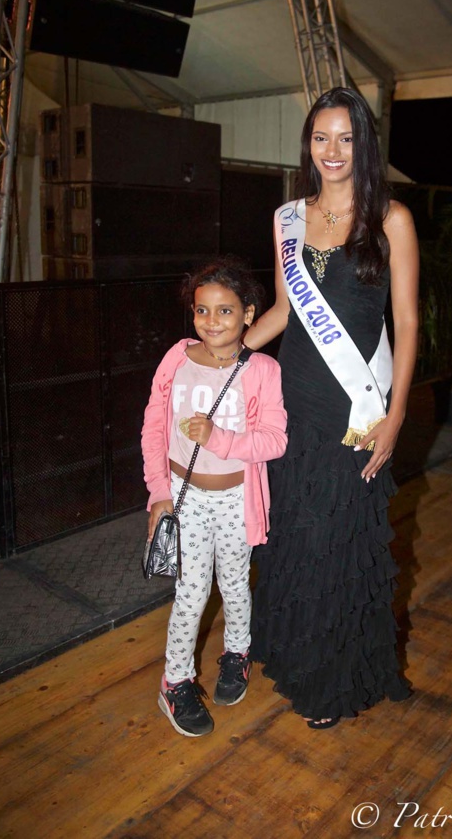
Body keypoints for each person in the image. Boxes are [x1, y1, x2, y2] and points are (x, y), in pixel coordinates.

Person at [246, 87, 419, 729]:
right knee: (294, 539)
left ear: (364, 144)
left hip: (355, 412)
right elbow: (286, 314)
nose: (333, 150)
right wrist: (228, 348)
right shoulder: (288, 217)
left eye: (346, 137)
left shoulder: (391, 219)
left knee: (334, 545)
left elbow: (406, 321)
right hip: (291, 407)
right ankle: (296, 662)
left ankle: (332, 680)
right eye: (322, 137)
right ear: (308, 144)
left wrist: (396, 416)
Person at [141, 256, 287, 737]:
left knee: (235, 583)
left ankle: (237, 653)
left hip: (234, 498)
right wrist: (158, 495)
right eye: (202, 310)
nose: (212, 321)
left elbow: (275, 440)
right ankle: (175, 681)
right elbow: (153, 429)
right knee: (191, 592)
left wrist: (219, 438)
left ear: (248, 314)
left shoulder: (262, 369)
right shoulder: (176, 358)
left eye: (225, 311)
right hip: (185, 499)